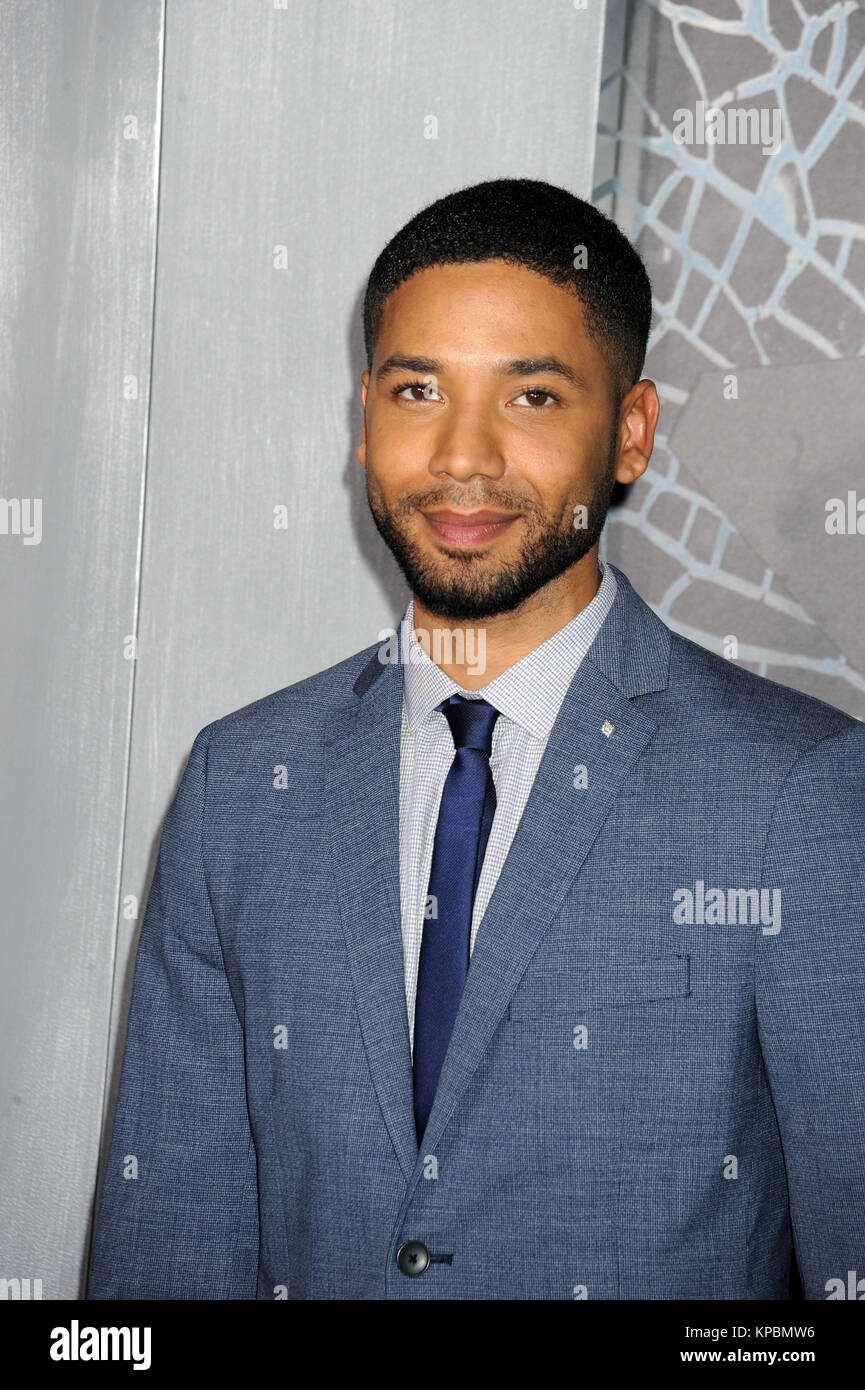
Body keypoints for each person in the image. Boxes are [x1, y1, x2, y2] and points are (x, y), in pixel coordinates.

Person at [87, 178, 865, 1300]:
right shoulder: (241, 783)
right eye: (417, 390)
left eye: (533, 398)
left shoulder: (797, 794)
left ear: (631, 432)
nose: (463, 456)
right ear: (364, 419)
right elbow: (166, 1257)